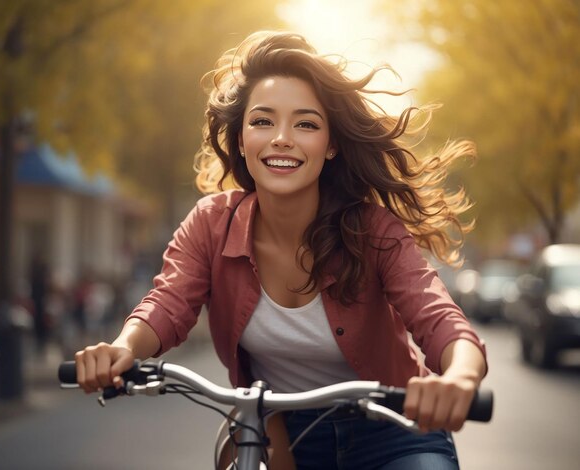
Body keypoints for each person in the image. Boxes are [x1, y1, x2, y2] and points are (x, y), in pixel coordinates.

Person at [74, 31, 487, 469]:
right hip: (278, 437)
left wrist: (459, 379)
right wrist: (123, 348)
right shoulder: (210, 225)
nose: (282, 138)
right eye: (263, 121)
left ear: (331, 145)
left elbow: (438, 317)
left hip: (395, 434)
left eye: (305, 124)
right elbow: (167, 304)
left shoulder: (373, 230)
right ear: (240, 139)